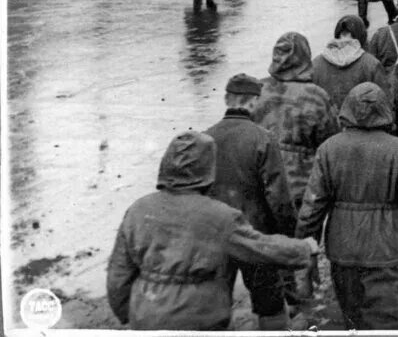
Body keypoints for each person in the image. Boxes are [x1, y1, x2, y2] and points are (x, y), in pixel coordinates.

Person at [106, 131, 318, 331]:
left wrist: (130, 313)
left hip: (145, 318)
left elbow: (118, 276)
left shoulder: (137, 209)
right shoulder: (220, 216)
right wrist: (304, 248)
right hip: (199, 320)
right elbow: (262, 249)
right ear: (208, 170)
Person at [297, 82, 398, 330]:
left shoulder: (329, 149)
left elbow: (312, 208)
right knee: (391, 324)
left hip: (343, 252)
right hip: (388, 253)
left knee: (353, 321)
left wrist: (308, 252)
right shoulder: (397, 150)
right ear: (385, 111)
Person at [204, 74, 298, 331]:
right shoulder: (263, 138)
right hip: (255, 237)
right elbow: (278, 198)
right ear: (255, 103)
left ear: (226, 99)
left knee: (214, 305)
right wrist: (288, 235)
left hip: (215, 236)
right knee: (270, 303)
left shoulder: (204, 138)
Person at [255, 32, 339, 212]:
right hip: (303, 188)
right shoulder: (317, 96)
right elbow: (332, 147)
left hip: (262, 185)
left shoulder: (258, 90)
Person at [311, 14, 390, 114]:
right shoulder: (371, 64)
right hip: (361, 126)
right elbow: (384, 104)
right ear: (362, 37)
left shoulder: (316, 64)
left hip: (326, 127)